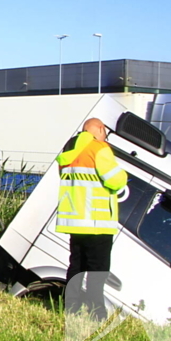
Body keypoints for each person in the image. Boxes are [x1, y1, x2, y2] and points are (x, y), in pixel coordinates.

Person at [55, 117, 128, 321]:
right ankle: (97, 313)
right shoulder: (99, 149)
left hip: (74, 220)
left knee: (76, 267)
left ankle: (71, 309)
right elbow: (116, 181)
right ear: (100, 129)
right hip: (97, 221)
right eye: (105, 132)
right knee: (98, 271)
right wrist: (122, 174)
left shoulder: (69, 151)